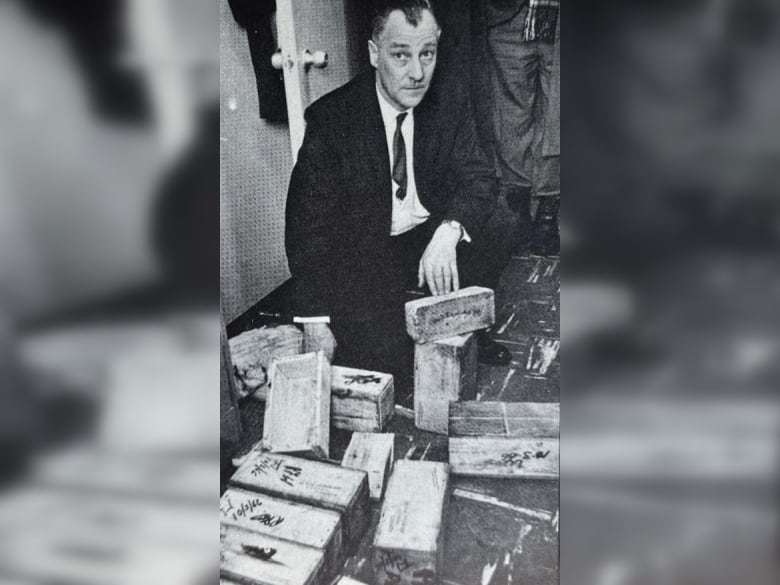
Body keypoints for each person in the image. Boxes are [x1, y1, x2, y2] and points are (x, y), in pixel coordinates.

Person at [285, 0, 511, 383]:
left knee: (502, 223)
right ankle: (400, 328)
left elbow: (480, 177)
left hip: (426, 239)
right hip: (367, 250)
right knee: (392, 367)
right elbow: (307, 227)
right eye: (401, 55)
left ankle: (468, 326)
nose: (417, 73)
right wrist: (315, 320)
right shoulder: (332, 120)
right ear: (374, 54)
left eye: (427, 53)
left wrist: (448, 231)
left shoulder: (449, 101)